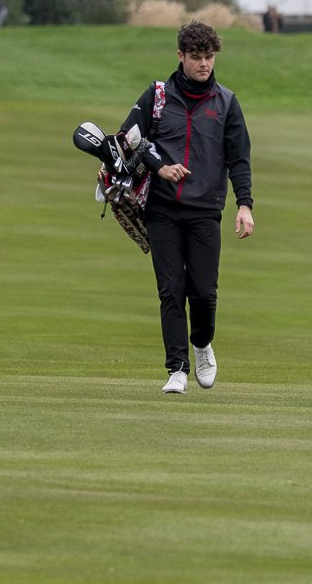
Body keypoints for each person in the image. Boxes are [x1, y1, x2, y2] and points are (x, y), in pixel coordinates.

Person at [116, 20, 254, 395]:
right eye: (196, 57)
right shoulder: (157, 96)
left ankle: (202, 344)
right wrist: (159, 165)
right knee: (171, 288)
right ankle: (176, 367)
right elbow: (128, 139)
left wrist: (245, 204)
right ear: (180, 56)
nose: (204, 64)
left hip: (206, 210)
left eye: (209, 57)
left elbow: (239, 158)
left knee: (204, 292)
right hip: (161, 209)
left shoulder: (226, 102)